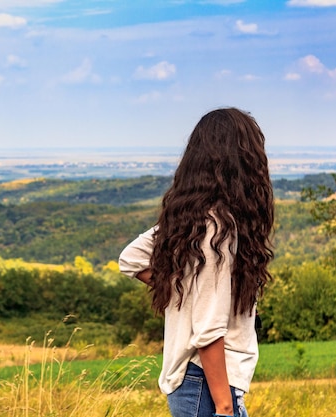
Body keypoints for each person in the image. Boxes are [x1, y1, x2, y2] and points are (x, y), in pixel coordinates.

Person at [118, 107, 274, 417]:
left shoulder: (189, 220)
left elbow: (131, 257)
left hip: (194, 385)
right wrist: (226, 408)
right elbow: (208, 331)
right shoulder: (218, 228)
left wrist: (185, 290)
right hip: (208, 387)